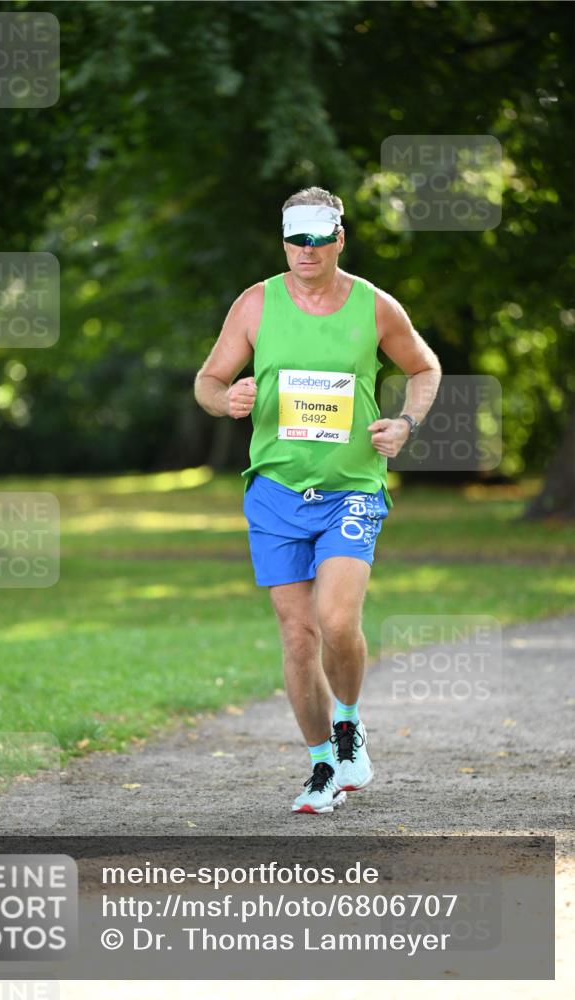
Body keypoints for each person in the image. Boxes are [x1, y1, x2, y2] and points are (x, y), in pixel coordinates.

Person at [194, 187, 441, 814]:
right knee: (299, 636)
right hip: (275, 492)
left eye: (317, 238)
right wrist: (226, 400)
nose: (305, 250)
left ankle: (350, 723)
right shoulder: (256, 304)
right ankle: (322, 765)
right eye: (294, 238)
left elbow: (424, 368)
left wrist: (405, 425)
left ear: (338, 239)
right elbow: (208, 379)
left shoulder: (374, 306)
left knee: (336, 621)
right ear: (283, 240)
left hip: (350, 488)